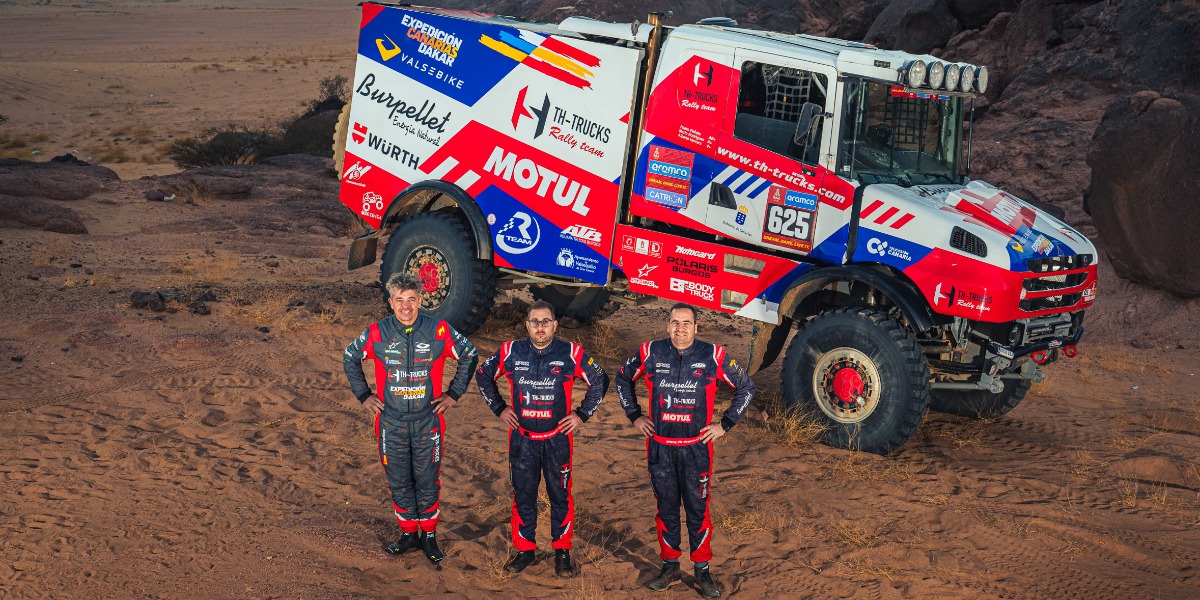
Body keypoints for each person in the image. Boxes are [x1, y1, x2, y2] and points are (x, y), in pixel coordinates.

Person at [614, 303, 755, 598]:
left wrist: (725, 425)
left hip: (696, 450)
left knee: (697, 510)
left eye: (686, 323)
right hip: (660, 448)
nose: (680, 328)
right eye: (675, 323)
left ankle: (702, 571)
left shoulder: (713, 355)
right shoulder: (650, 351)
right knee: (665, 510)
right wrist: (634, 416)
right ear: (668, 326)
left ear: (696, 327)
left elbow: (746, 387)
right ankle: (670, 567)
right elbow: (621, 377)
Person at [343, 272, 478, 563]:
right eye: (400, 300)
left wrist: (453, 394)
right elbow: (349, 357)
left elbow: (469, 353)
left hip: (428, 421)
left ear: (420, 301)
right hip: (390, 422)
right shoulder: (377, 332)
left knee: (427, 480)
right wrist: (364, 395)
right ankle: (408, 535)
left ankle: (429, 536)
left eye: (412, 299)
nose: (406, 306)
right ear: (391, 302)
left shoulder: (438, 330)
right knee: (399, 480)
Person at [475, 300, 608, 577]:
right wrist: (499, 408)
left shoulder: (570, 352)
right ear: (527, 324)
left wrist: (582, 415)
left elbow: (600, 379)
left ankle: (562, 551)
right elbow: (483, 375)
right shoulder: (510, 351)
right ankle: (525, 550)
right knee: (523, 496)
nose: (540, 327)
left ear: (555, 325)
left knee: (560, 495)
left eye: (545, 321)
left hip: (557, 440)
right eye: (534, 321)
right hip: (522, 440)